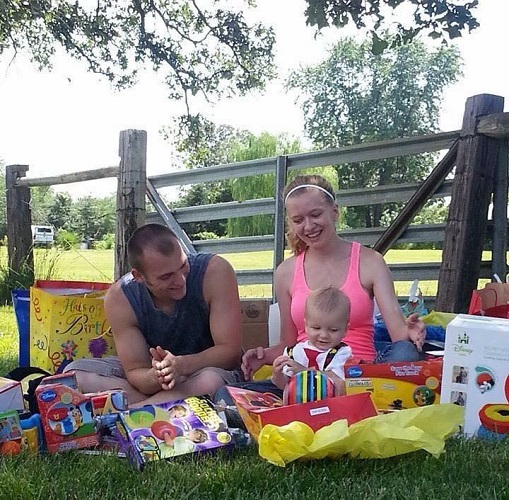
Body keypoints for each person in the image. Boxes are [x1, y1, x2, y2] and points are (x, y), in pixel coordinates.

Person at [214, 174, 426, 409]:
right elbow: (289, 343)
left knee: (405, 353)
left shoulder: (370, 262)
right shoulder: (286, 272)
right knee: (225, 395)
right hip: (301, 380)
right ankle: (321, 406)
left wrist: (411, 331)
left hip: (357, 378)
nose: (308, 226)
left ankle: (316, 407)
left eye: (315, 215)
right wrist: (263, 356)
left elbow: (399, 338)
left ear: (334, 212)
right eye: (298, 220)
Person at [63, 223, 243, 406]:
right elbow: (135, 370)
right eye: (166, 277)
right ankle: (169, 403)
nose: (180, 280)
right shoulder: (119, 298)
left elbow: (230, 353)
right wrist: (157, 375)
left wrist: (182, 365)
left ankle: (135, 409)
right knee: (74, 375)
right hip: (155, 376)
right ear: (138, 276)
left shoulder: (215, 271)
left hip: (208, 369)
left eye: (183, 265)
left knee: (210, 382)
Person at [272, 286, 352, 396]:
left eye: (333, 330)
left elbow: (339, 383)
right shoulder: (293, 352)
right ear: (306, 325)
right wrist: (278, 375)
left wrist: (305, 372)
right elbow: (284, 386)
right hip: (297, 403)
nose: (324, 335)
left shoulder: (343, 353)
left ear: (345, 330)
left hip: (330, 404)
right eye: (316, 328)